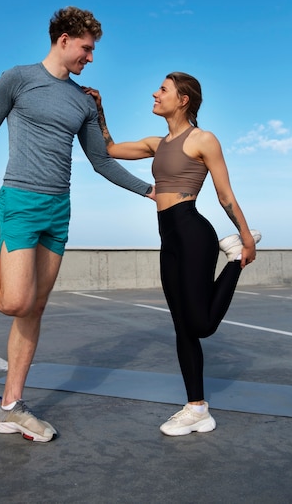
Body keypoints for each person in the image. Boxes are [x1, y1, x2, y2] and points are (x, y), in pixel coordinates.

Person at [0, 6, 155, 442]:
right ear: (64, 39)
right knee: (13, 303)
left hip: (58, 208)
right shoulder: (18, 79)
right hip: (21, 200)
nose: (91, 57)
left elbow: (101, 161)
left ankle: (10, 405)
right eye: (87, 48)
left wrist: (148, 190)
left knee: (36, 308)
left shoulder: (82, 100)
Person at [84, 71, 261, 437]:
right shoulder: (156, 143)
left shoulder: (203, 140)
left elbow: (225, 195)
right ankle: (197, 408)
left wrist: (246, 238)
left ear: (183, 99)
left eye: (162, 89)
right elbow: (110, 149)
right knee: (182, 327)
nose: (155, 93)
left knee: (201, 325)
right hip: (169, 238)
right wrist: (98, 111)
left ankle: (232, 261)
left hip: (194, 231)